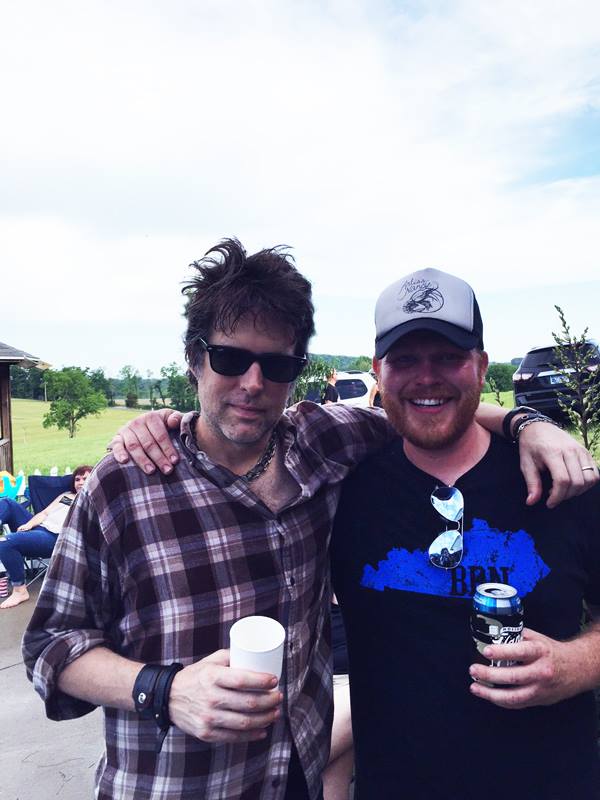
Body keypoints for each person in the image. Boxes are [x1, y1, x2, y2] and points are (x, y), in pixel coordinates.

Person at [23, 240, 597, 800]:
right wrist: (165, 690)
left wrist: (528, 423)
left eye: (276, 365)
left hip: (308, 780)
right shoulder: (128, 483)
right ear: (194, 360)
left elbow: (430, 410)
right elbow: (51, 644)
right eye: (230, 359)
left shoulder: (326, 446)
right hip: (176, 784)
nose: (252, 383)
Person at [330, 268, 600, 799]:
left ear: (480, 365)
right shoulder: (344, 492)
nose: (426, 377)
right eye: (405, 360)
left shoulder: (563, 482)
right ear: (378, 372)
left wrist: (575, 665)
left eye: (448, 357)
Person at [0, 465, 91, 609]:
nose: (80, 482)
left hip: (53, 537)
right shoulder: (66, 496)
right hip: (38, 527)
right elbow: (44, 513)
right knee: (7, 503)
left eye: (85, 479)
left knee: (5, 542)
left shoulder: (94, 502)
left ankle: (20, 591)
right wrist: (29, 524)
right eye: (77, 479)